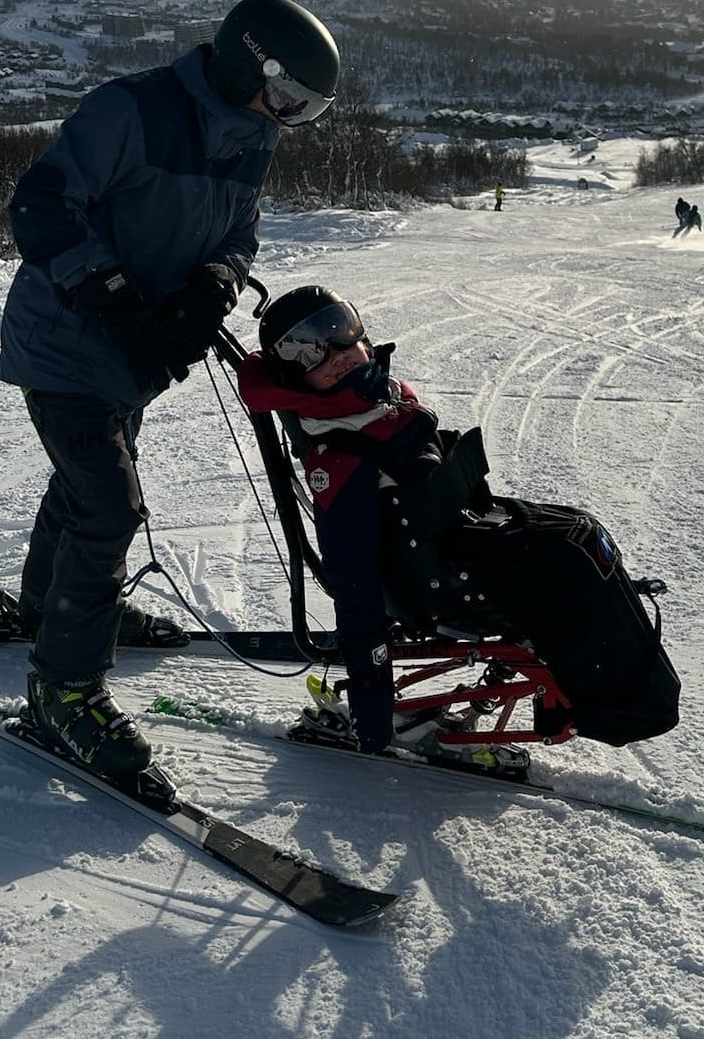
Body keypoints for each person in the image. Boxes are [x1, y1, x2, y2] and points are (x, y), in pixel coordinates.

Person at [0, 0, 340, 779]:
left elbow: (237, 231)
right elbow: (40, 204)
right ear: (251, 64)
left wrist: (214, 284)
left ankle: (53, 613)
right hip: (63, 341)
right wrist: (110, 294)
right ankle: (64, 689)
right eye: (288, 97)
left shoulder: (254, 134)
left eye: (307, 111)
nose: (290, 118)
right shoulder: (132, 110)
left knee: (85, 487)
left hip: (132, 355)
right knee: (109, 504)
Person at [234, 287, 680, 762]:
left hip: (445, 539)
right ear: (291, 376)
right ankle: (614, 704)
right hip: (432, 582)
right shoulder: (341, 453)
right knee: (570, 558)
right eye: (306, 352)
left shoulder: (369, 399)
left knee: (579, 536)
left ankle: (600, 650)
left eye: (339, 331)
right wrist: (371, 697)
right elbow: (353, 579)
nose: (336, 353)